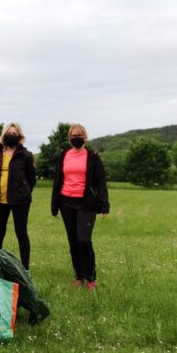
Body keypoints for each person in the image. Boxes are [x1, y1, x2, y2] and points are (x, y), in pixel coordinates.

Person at [51, 124, 110, 290]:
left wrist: (104, 204)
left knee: (84, 240)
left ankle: (91, 278)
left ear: (85, 137)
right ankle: (79, 275)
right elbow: (57, 180)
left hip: (86, 204)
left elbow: (101, 181)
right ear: (69, 138)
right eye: (73, 135)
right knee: (73, 241)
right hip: (66, 202)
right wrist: (54, 205)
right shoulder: (64, 155)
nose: (76, 137)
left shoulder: (92, 156)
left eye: (79, 135)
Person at [0, 122, 36, 272]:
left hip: (20, 201)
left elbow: (31, 179)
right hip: (0, 201)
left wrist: (23, 191)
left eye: (14, 134)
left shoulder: (25, 155)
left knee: (21, 233)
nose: (11, 135)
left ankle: (25, 269)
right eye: (9, 133)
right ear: (4, 135)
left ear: (19, 137)